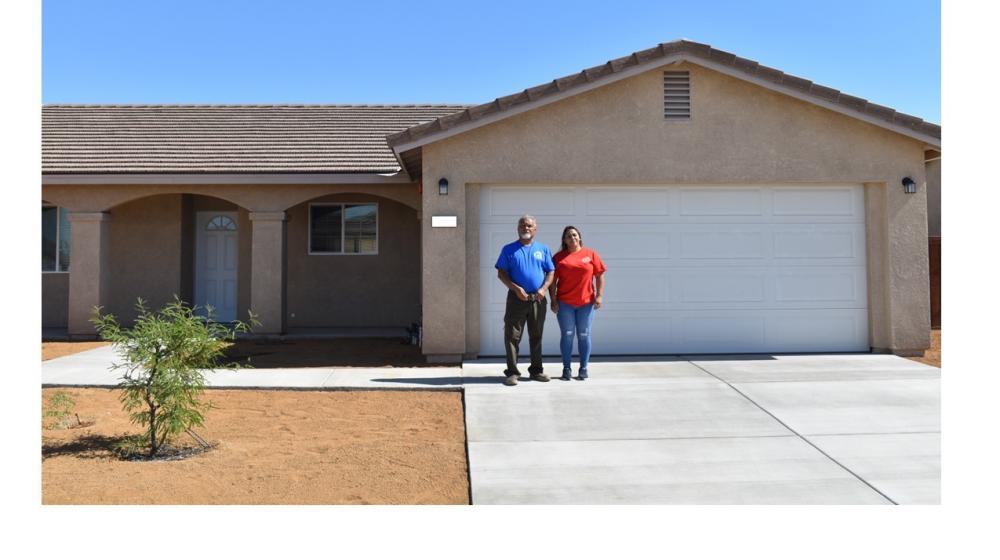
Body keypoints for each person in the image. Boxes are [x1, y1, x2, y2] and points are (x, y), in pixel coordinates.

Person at [495, 215, 555, 386]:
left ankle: (536, 371)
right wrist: (516, 289)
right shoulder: (509, 249)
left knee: (536, 335)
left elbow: (551, 271)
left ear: (535, 229)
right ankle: (512, 372)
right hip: (516, 298)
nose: (526, 228)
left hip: (538, 298)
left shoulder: (543, 249)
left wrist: (543, 289)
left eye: (529, 226)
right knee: (512, 336)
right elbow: (501, 273)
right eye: (522, 225)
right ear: (517, 229)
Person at [549, 226, 606, 380]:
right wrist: (553, 300)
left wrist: (599, 296)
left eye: (574, 235)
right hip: (565, 303)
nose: (572, 238)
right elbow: (552, 281)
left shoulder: (590, 254)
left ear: (579, 237)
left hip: (586, 303)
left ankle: (583, 367)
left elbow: (600, 275)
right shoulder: (558, 258)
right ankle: (566, 368)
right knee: (567, 335)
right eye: (568, 236)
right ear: (564, 240)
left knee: (583, 335)